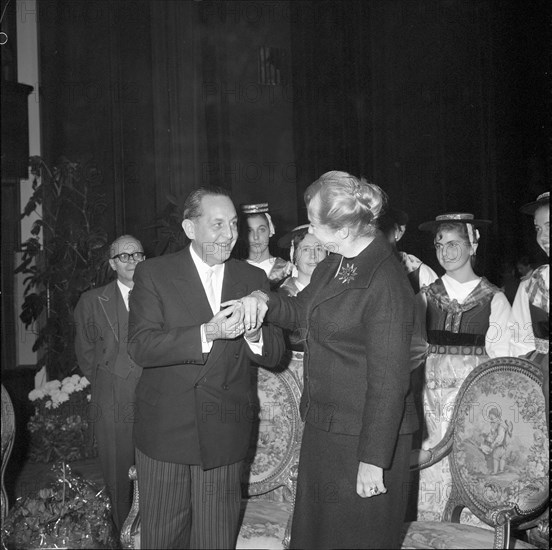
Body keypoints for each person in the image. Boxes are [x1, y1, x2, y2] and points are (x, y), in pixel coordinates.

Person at [239, 171, 418, 549]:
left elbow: (389, 382)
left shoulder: (385, 282)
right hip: (327, 428)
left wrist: (373, 459)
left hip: (367, 440)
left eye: (314, 223)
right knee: (318, 536)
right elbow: (301, 312)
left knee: (356, 539)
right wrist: (264, 300)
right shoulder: (335, 265)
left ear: (341, 231)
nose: (309, 230)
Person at [127, 187, 285, 549]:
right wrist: (207, 332)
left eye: (233, 225)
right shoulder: (154, 273)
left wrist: (255, 329)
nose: (229, 235)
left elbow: (275, 354)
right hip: (165, 433)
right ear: (189, 228)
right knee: (164, 539)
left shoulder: (252, 279)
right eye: (217, 225)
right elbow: (140, 346)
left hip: (224, 432)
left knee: (215, 539)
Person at [413, 213, 511, 521]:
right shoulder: (425, 297)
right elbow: (410, 349)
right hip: (429, 398)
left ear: (473, 246)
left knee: (472, 464)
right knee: (430, 465)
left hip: (474, 398)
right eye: (440, 244)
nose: (446, 251)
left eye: (455, 243)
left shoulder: (494, 298)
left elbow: (502, 360)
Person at [74, 234, 145, 532]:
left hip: (156, 393)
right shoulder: (92, 301)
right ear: (112, 263)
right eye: (124, 257)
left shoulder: (159, 294)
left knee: (159, 467)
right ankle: (121, 534)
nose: (131, 261)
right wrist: (110, 381)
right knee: (118, 474)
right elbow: (86, 354)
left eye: (137, 255)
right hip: (112, 394)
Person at [509, 191, 549, 426]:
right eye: (538, 228)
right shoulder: (533, 285)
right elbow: (518, 343)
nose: (543, 236)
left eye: (549, 225)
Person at [241, 202, 294, 288]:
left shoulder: (288, 270)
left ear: (270, 230)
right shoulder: (236, 270)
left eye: (261, 230)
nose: (256, 237)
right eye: (249, 231)